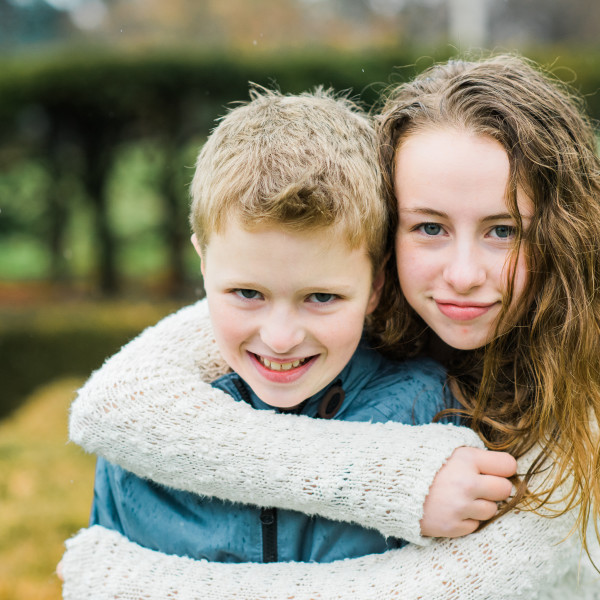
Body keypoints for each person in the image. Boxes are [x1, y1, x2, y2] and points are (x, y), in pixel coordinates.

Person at [61, 55, 600, 599]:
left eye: (503, 230)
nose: (462, 275)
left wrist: (114, 581)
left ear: (564, 232)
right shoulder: (306, 315)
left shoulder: (533, 410)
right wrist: (393, 479)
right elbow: (115, 401)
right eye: (429, 226)